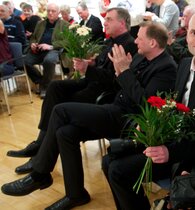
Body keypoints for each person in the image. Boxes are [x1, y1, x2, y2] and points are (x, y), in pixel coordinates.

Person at [1, 21, 177, 210]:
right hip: (115, 108)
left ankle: (40, 174)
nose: (135, 41)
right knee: (65, 133)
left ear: (152, 43)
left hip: (129, 121)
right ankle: (75, 195)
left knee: (60, 110)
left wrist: (124, 71)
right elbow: (119, 84)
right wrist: (116, 71)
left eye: (140, 38)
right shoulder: (142, 58)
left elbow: (146, 105)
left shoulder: (166, 68)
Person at [102, 9, 195, 210]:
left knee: (119, 170)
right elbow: (172, 108)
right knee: (107, 161)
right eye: (194, 33)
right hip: (170, 139)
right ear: (186, 34)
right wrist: (149, 126)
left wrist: (169, 151)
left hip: (194, 155)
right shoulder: (184, 64)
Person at [6, 7, 138, 175]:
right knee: (55, 87)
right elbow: (102, 66)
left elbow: (113, 80)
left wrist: (88, 69)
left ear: (121, 22)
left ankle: (40, 156)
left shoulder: (127, 45)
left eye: (109, 19)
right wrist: (90, 64)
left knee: (60, 107)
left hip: (103, 93)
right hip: (92, 83)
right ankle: (40, 142)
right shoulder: (110, 42)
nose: (105, 22)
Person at [23, 3, 69, 99]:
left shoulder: (65, 25)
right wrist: (33, 43)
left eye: (53, 11)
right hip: (38, 50)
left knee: (48, 61)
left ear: (58, 13)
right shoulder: (40, 23)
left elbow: (67, 41)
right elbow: (33, 37)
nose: (50, 13)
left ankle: (45, 87)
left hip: (54, 50)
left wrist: (51, 46)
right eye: (48, 11)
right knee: (26, 61)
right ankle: (41, 81)